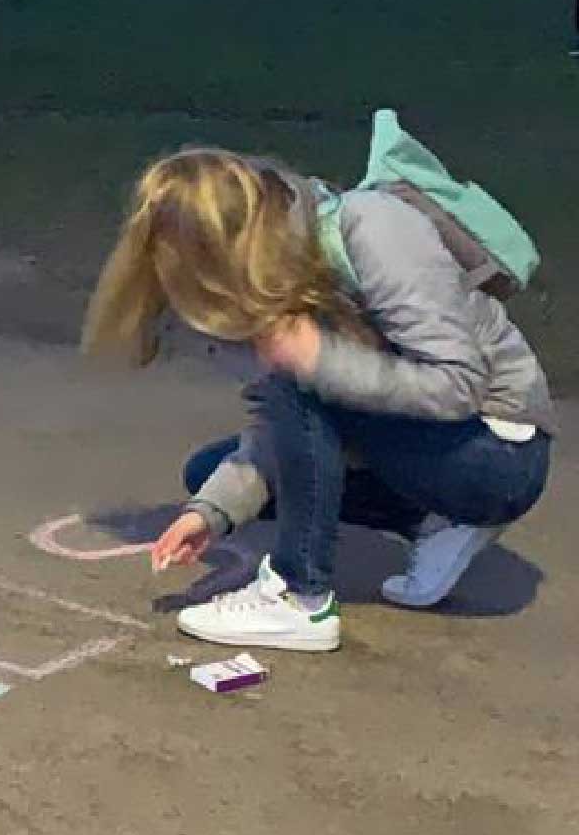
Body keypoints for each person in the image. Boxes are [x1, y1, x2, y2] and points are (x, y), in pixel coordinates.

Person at [84, 150, 554, 653]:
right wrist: (212, 512)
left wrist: (321, 364)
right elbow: (287, 428)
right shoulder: (277, 275)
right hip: (427, 447)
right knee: (209, 474)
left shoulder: (374, 229)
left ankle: (299, 598)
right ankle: (432, 521)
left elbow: (458, 384)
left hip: (499, 452)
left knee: (299, 381)